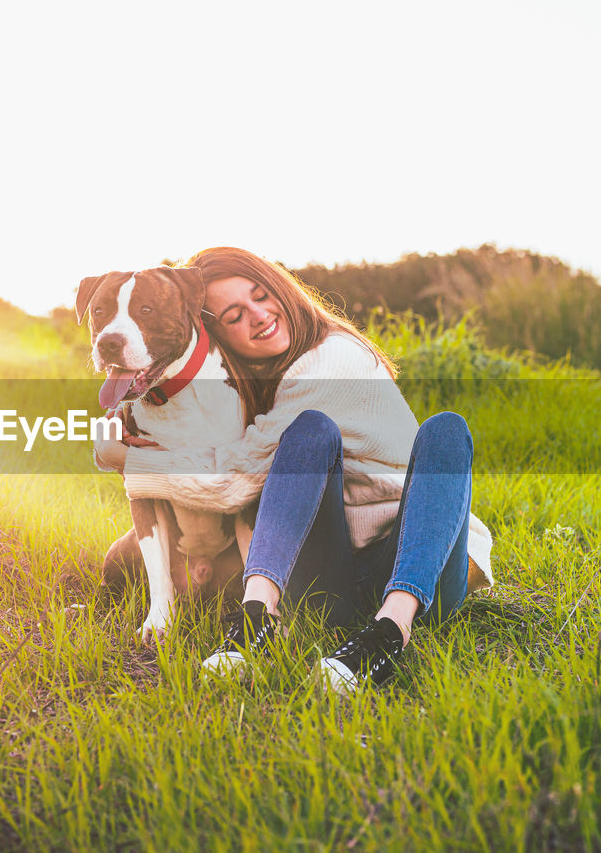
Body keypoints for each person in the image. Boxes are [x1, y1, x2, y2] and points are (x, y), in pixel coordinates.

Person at [93, 246, 493, 694]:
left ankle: (386, 635)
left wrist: (128, 461)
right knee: (311, 432)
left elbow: (236, 481)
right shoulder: (266, 382)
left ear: (282, 288)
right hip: (333, 579)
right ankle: (254, 625)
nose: (257, 316)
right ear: (220, 334)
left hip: (418, 571)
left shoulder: (332, 359)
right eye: (232, 316)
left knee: (446, 431)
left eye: (261, 295)